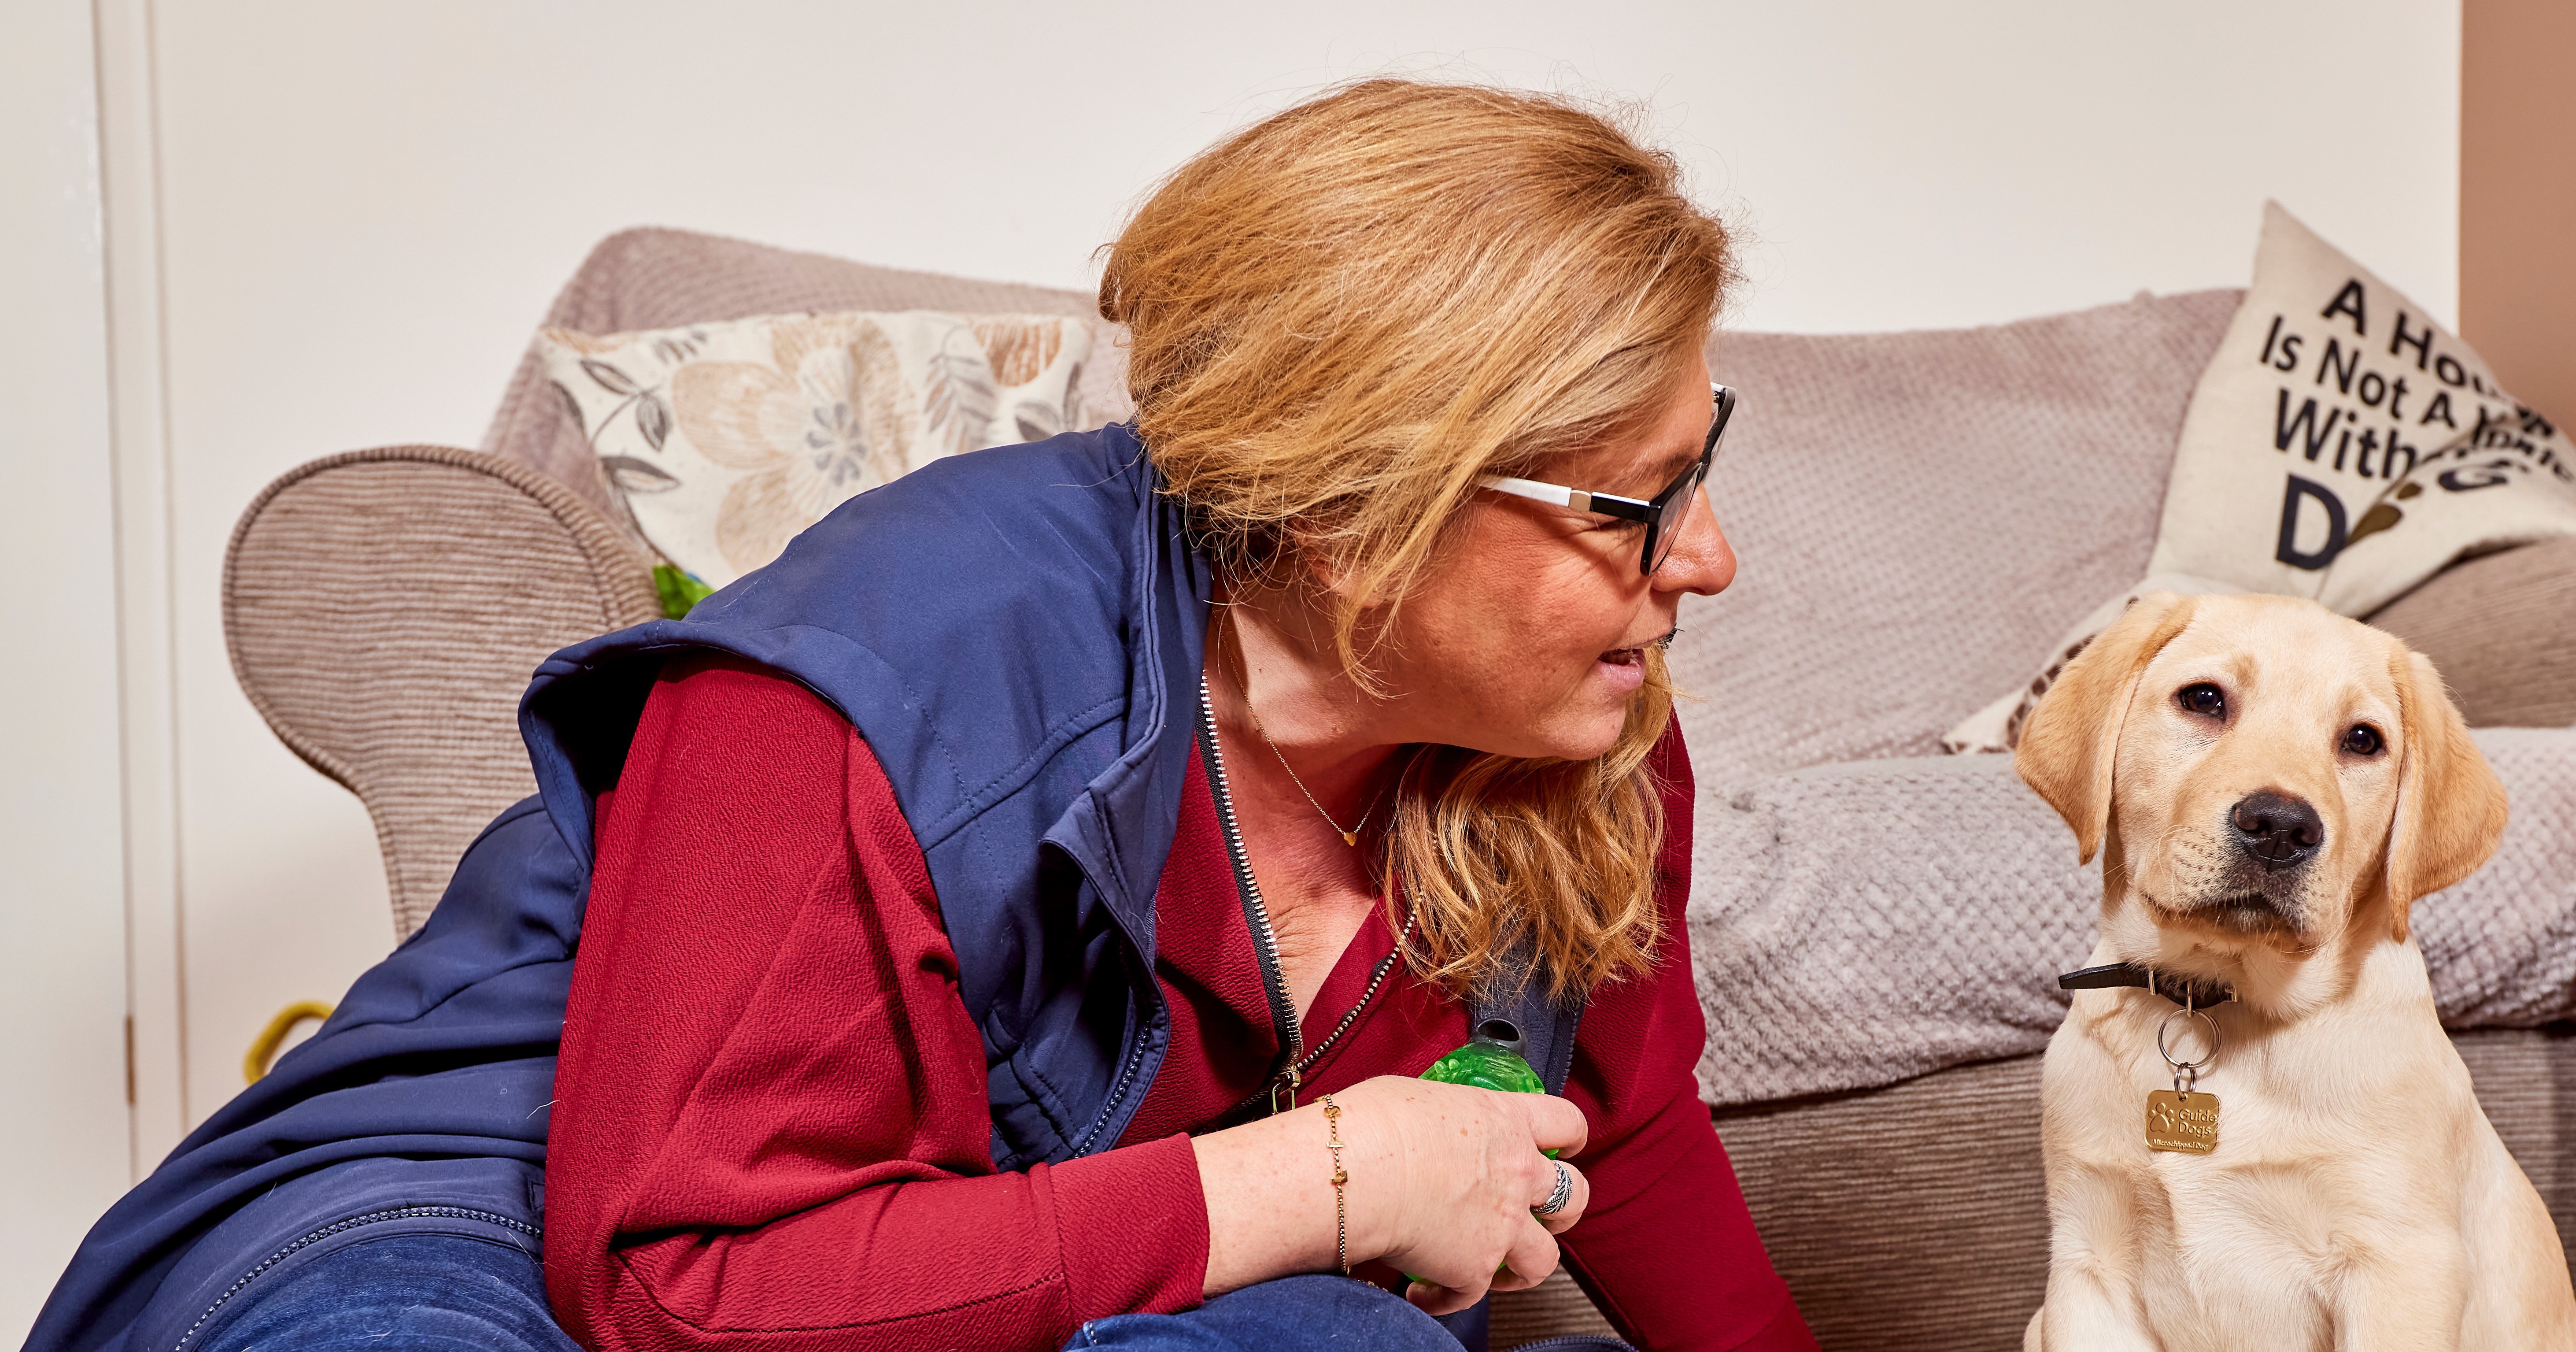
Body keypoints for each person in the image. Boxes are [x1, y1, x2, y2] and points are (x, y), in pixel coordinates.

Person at [27, 81, 1818, 1352]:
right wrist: (1333, 1173)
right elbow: (680, 1284)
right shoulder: (891, 661)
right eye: (1631, 500)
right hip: (484, 1228)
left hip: (1007, 1273)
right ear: (1358, 504)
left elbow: (1630, 1121)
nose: (1709, 560)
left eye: (1698, 467)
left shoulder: (1570, 719)